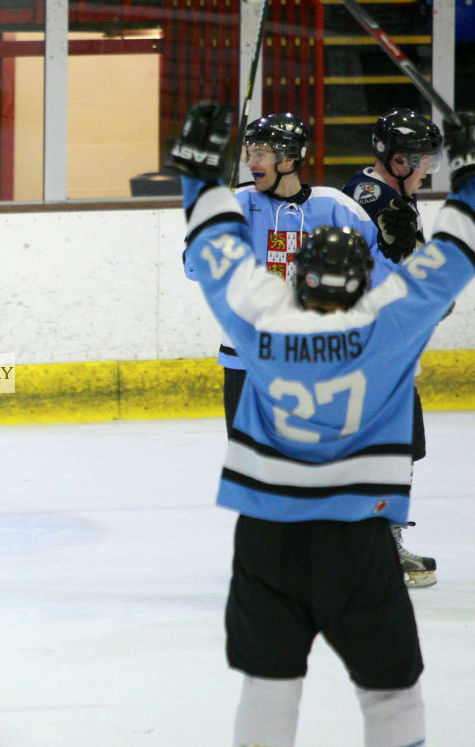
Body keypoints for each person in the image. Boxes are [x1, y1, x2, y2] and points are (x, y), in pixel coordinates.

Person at [168, 100, 475, 747]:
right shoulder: (392, 329)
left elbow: (216, 254)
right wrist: (470, 184)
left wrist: (198, 182)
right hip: (357, 541)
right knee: (391, 694)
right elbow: (449, 262)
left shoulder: (260, 326)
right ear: (369, 279)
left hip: (267, 540)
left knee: (268, 684)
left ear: (296, 281)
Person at [204, 112, 396, 431]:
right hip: (247, 357)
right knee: (252, 466)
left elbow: (379, 278)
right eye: (248, 153)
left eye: (260, 153)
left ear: (290, 158)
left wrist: (394, 253)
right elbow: (194, 268)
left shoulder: (337, 207)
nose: (251, 162)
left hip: (317, 357)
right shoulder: (236, 204)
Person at [342, 110, 446, 587]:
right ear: (397, 158)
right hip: (372, 351)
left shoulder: (390, 194)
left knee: (399, 448)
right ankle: (378, 548)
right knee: (388, 449)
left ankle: (374, 543)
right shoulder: (374, 198)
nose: (429, 169)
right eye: (423, 159)